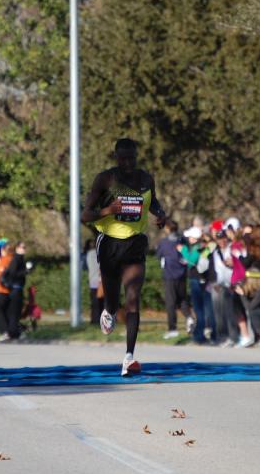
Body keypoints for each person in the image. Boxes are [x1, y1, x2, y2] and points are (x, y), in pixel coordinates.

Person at [82, 138, 167, 376]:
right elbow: (85, 215)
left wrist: (160, 214)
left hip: (135, 243)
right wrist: (109, 210)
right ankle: (108, 310)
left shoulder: (146, 179)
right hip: (109, 242)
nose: (128, 162)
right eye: (123, 158)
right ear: (116, 158)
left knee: (133, 298)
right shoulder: (106, 179)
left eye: (132, 158)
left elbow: (153, 201)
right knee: (112, 299)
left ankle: (129, 357)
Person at [156, 220, 193, 339]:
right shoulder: (183, 240)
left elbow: (159, 255)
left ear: (167, 229)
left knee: (170, 302)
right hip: (182, 274)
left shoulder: (165, 242)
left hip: (170, 275)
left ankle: (173, 329)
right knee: (182, 299)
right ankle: (189, 318)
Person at [3, 241, 28, 339]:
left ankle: (14, 331)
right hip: (15, 288)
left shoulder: (21, 259)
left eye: (25, 247)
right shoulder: (16, 259)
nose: (24, 249)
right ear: (17, 248)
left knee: (16, 312)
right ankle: (12, 332)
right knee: (14, 311)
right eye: (22, 247)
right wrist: (24, 272)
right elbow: (13, 273)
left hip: (18, 288)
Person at [0, 242, 14, 341]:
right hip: (11, 290)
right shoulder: (13, 260)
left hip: (2, 290)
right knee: (8, 311)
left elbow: (0, 275)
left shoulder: (4, 260)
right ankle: (12, 331)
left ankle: (4, 331)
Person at [84, 239, 104, 325]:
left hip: (92, 281)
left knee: (94, 303)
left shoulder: (87, 255)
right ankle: (102, 320)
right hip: (100, 281)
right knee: (102, 303)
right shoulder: (100, 254)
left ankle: (94, 320)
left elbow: (85, 266)